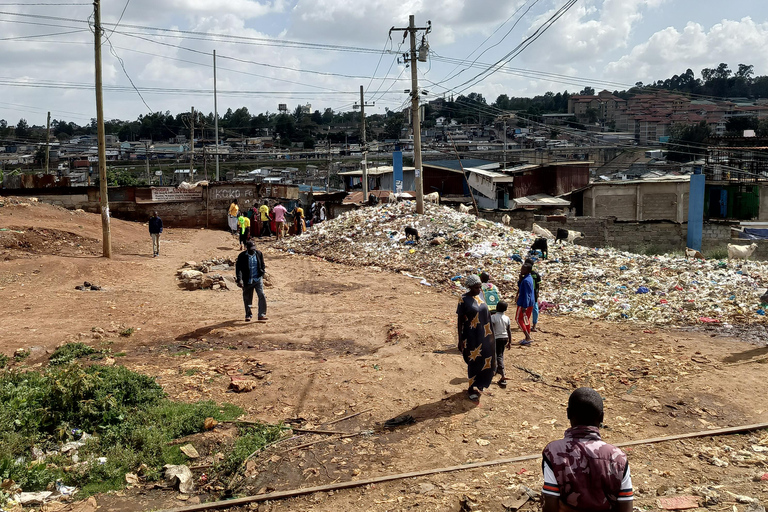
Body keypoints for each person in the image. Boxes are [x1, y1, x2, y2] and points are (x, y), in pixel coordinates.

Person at [542, 387, 633, 512]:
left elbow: (551, 507)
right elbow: (626, 508)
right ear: (602, 417)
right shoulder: (618, 457)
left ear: (568, 414)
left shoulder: (553, 452)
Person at [457, 274, 496, 402]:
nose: (478, 289)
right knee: (474, 362)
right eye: (475, 287)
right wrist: (460, 339)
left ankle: (481, 383)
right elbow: (460, 321)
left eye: (479, 287)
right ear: (469, 287)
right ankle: (471, 387)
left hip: (486, 334)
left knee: (487, 359)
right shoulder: (463, 299)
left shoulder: (481, 295)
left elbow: (488, 314)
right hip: (472, 336)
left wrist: (492, 334)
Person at [235, 240, 268, 322]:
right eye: (251, 249)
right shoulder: (242, 256)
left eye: (254, 248)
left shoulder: (259, 254)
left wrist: (262, 272)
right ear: (247, 248)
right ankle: (248, 315)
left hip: (257, 279)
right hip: (247, 280)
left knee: (262, 295)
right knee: (247, 298)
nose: (253, 250)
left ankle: (261, 315)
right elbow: (238, 269)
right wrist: (239, 279)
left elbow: (262, 264)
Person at [491, 301, 512, 388]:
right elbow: (509, 330)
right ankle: (496, 370)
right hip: (505, 338)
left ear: (496, 308)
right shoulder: (507, 318)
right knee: (500, 354)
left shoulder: (493, 317)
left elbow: (491, 330)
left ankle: (503, 373)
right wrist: (510, 342)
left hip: (496, 338)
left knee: (497, 355)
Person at [515, 262, 535, 345]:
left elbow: (527, 294)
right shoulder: (528, 278)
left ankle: (527, 336)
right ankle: (528, 337)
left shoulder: (526, 280)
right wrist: (520, 280)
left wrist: (524, 306)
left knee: (518, 319)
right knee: (526, 319)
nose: (521, 270)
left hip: (524, 303)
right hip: (530, 303)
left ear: (527, 270)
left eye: (523, 269)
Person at [525, 258, 543, 332]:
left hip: (530, 293)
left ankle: (529, 324)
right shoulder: (535, 274)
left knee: (528, 309)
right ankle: (531, 325)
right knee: (534, 309)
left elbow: (538, 285)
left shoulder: (530, 275)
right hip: (533, 293)